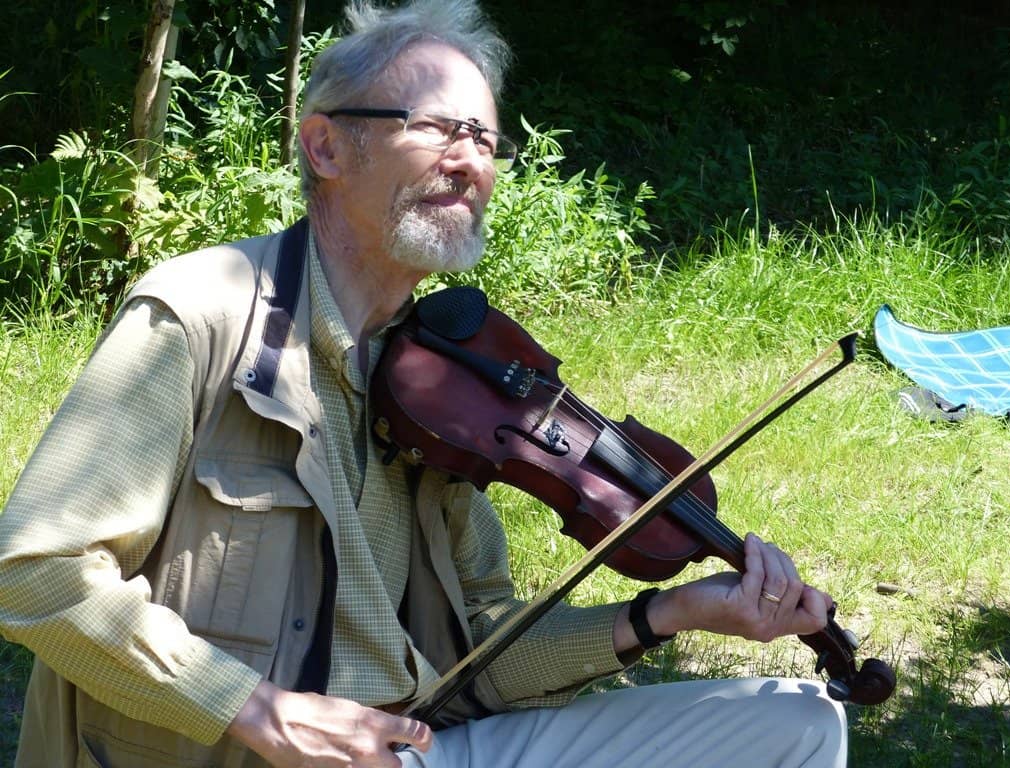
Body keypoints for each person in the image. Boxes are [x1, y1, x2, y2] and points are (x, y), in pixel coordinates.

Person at [0, 0, 849, 765]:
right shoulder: (197, 315)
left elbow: (481, 652)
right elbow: (34, 572)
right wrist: (256, 711)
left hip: (415, 746)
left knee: (797, 723)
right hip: (246, 754)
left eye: (484, 141)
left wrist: (668, 614)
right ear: (326, 144)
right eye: (437, 129)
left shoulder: (443, 383)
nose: (469, 163)